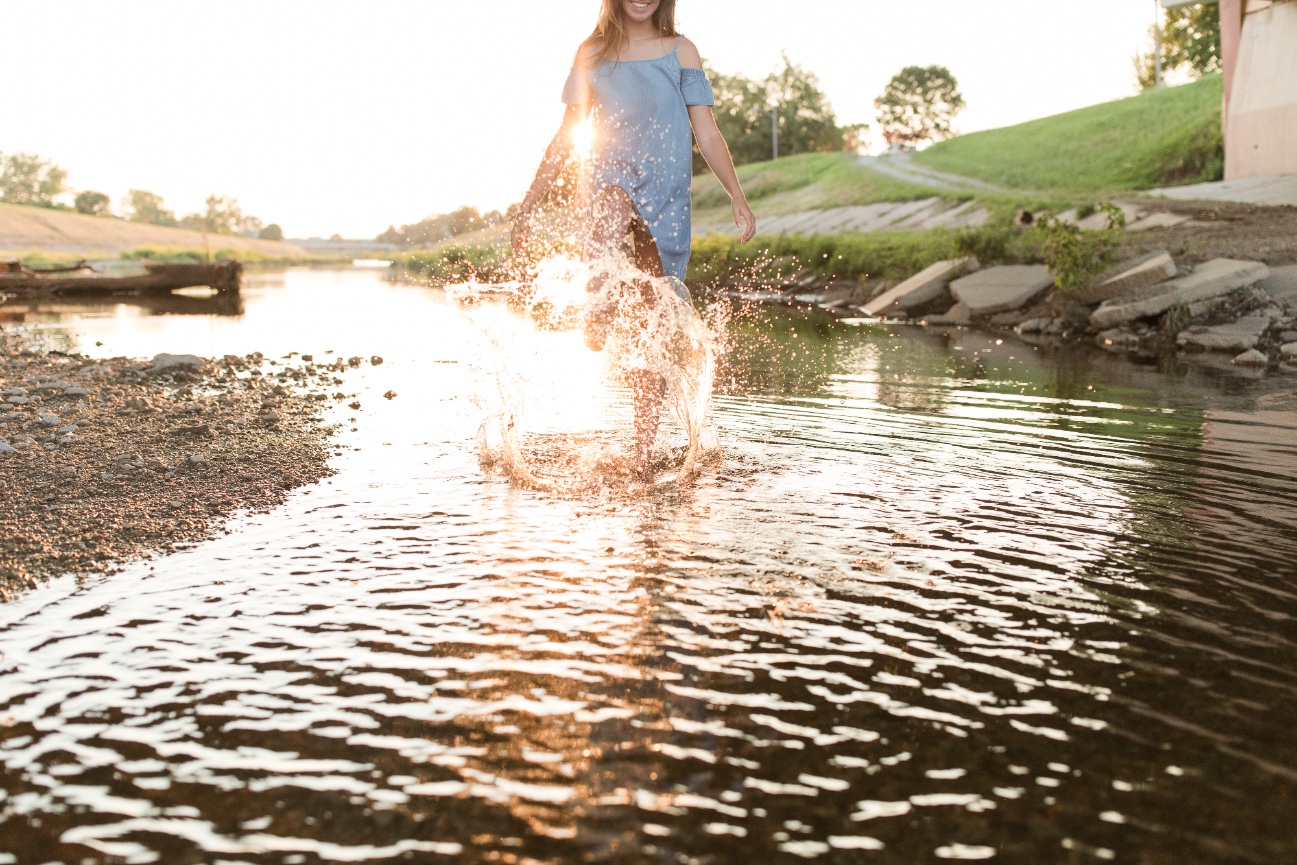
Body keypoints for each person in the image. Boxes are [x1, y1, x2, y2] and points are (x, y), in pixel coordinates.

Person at [512, 0, 755, 479]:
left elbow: (706, 132)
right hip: (608, 175)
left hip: (667, 191)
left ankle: (642, 452)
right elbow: (568, 134)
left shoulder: (681, 51)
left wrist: (737, 196)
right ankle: (597, 305)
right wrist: (529, 202)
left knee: (654, 324)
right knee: (611, 202)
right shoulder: (592, 53)